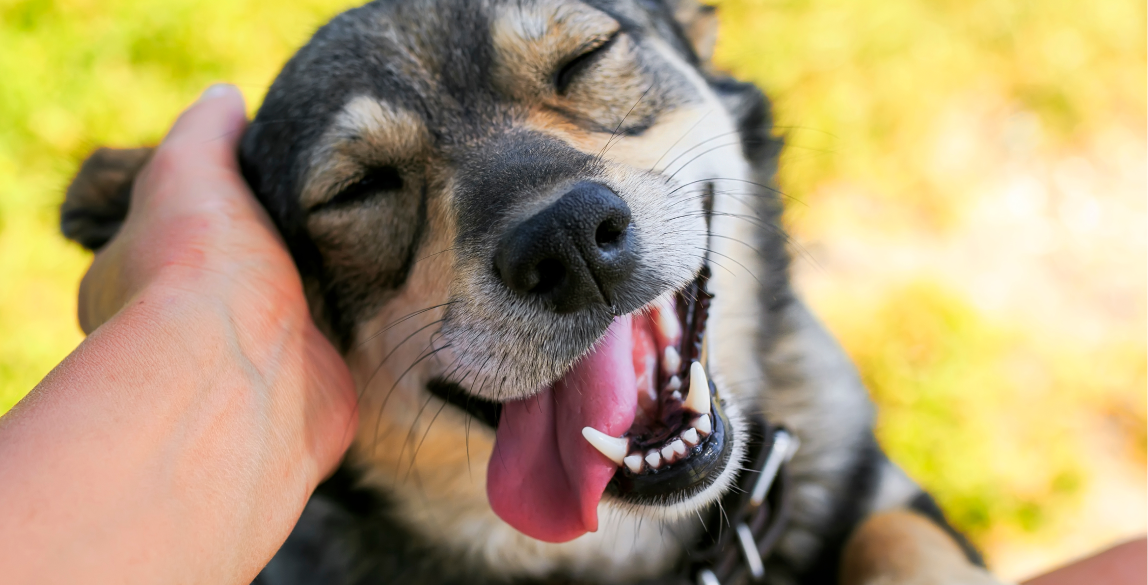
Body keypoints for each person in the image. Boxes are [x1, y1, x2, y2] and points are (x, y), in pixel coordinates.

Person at [0, 85, 1141, 584]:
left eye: (585, 69)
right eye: (365, 186)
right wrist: (199, 313)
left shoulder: (809, 412)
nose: (556, 218)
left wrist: (897, 549)